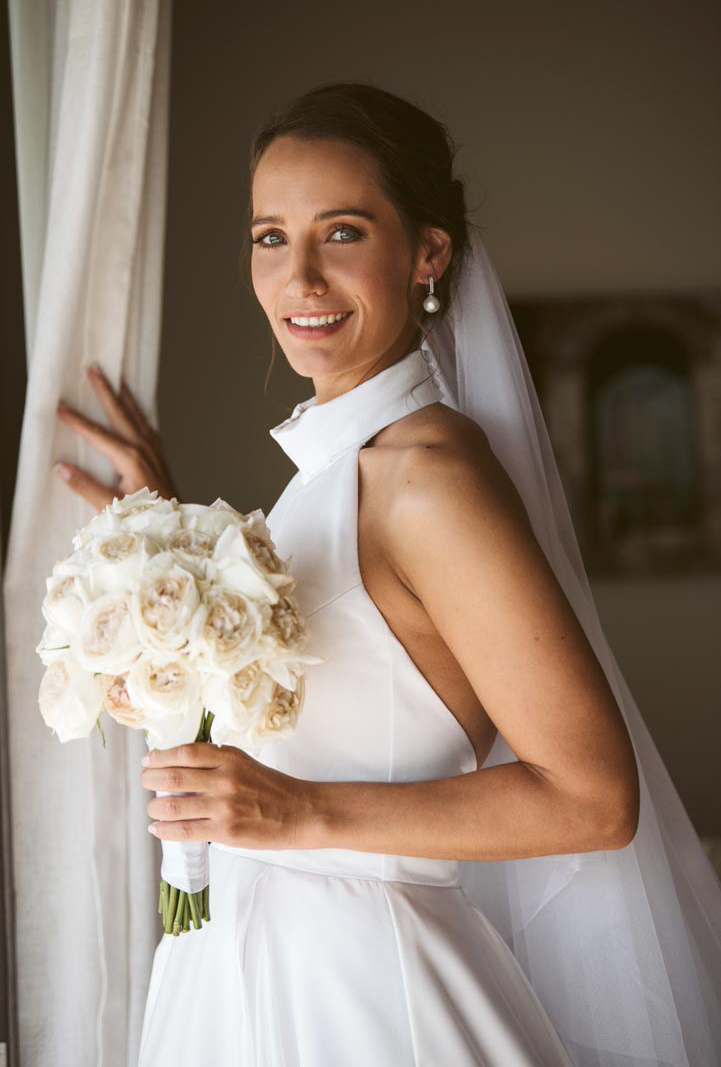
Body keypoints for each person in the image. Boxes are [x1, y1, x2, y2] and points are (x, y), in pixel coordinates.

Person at [55, 83, 721, 1066]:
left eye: (342, 232)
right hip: (238, 977)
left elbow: (592, 798)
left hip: (368, 997)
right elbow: (350, 681)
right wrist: (169, 543)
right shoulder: (334, 478)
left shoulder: (427, 479)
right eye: (270, 237)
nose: (299, 278)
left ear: (427, 254)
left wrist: (300, 813)